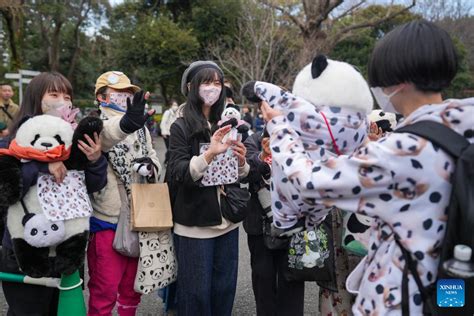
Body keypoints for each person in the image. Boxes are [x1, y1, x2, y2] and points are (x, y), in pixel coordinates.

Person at [260, 20, 471, 315]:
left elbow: (309, 181)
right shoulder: (466, 124)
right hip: (455, 276)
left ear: (398, 81)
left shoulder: (401, 151)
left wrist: (279, 126)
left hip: (405, 295)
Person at [0, 72, 106, 315]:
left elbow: (93, 185)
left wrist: (95, 159)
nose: (62, 101)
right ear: (37, 99)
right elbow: (6, 190)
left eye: (67, 96)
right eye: (54, 94)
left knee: (61, 310)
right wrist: (41, 165)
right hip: (24, 251)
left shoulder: (72, 141)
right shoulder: (12, 144)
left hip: (67, 250)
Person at [167, 61, 249, 315]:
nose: (213, 88)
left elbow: (238, 174)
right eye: (206, 82)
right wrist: (209, 154)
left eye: (217, 83)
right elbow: (177, 172)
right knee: (195, 296)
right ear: (191, 87)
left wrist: (242, 163)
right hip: (194, 225)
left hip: (228, 221)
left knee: (224, 291)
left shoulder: (229, 124)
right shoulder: (180, 126)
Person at [87, 71, 161, 316]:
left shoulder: (141, 128)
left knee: (132, 285)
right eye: (118, 93)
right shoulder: (95, 123)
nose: (124, 97)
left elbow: (153, 154)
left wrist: (151, 167)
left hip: (140, 213)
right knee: (105, 286)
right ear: (101, 96)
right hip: (108, 218)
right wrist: (128, 122)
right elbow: (108, 135)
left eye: (128, 93)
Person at [243, 128, 305, 316]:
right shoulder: (254, 139)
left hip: (293, 222)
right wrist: (263, 156)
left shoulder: (299, 137)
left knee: (292, 282)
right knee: (263, 282)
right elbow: (247, 172)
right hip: (260, 225)